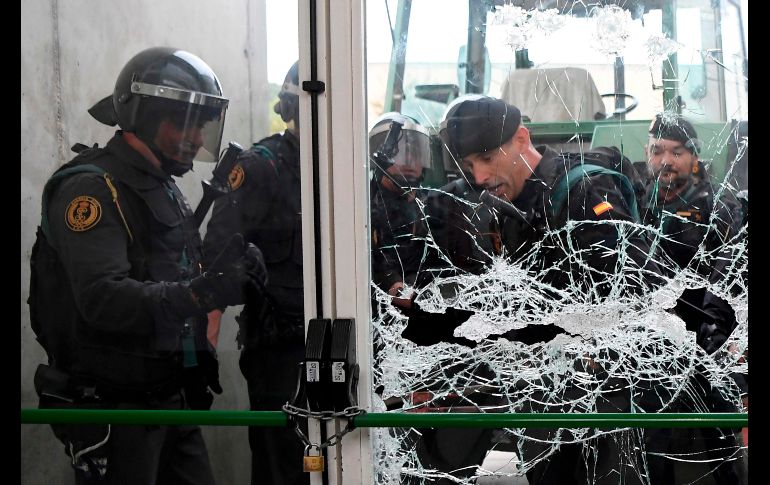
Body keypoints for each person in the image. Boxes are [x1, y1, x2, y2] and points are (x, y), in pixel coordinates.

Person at [28, 47, 267, 484]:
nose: (196, 137)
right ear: (144, 113)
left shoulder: (162, 184)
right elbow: (102, 298)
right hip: (116, 407)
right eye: (183, 121)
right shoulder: (93, 188)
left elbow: (166, 277)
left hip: (168, 397)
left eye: (201, 123)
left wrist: (226, 274)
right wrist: (202, 292)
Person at [402, 95, 664, 484]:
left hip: (607, 392)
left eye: (487, 159)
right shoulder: (512, 207)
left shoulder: (585, 192)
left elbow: (635, 288)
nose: (479, 178)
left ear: (522, 138)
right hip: (547, 388)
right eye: (471, 165)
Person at [203, 61, 307, 485]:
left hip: (341, 347)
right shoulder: (261, 166)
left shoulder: (349, 172)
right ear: (291, 107)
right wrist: (207, 332)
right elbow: (217, 254)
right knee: (280, 465)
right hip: (278, 351)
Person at [639, 113, 747, 484]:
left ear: (694, 157)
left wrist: (716, 335)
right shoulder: (639, 201)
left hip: (708, 335)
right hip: (654, 342)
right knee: (655, 439)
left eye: (677, 152)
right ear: (646, 153)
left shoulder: (718, 202)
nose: (665, 160)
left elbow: (727, 271)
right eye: (657, 151)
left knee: (720, 438)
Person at [368, 112, 432, 308]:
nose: (409, 160)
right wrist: (392, 283)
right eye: (400, 152)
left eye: (416, 151)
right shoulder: (363, 205)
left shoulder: (432, 204)